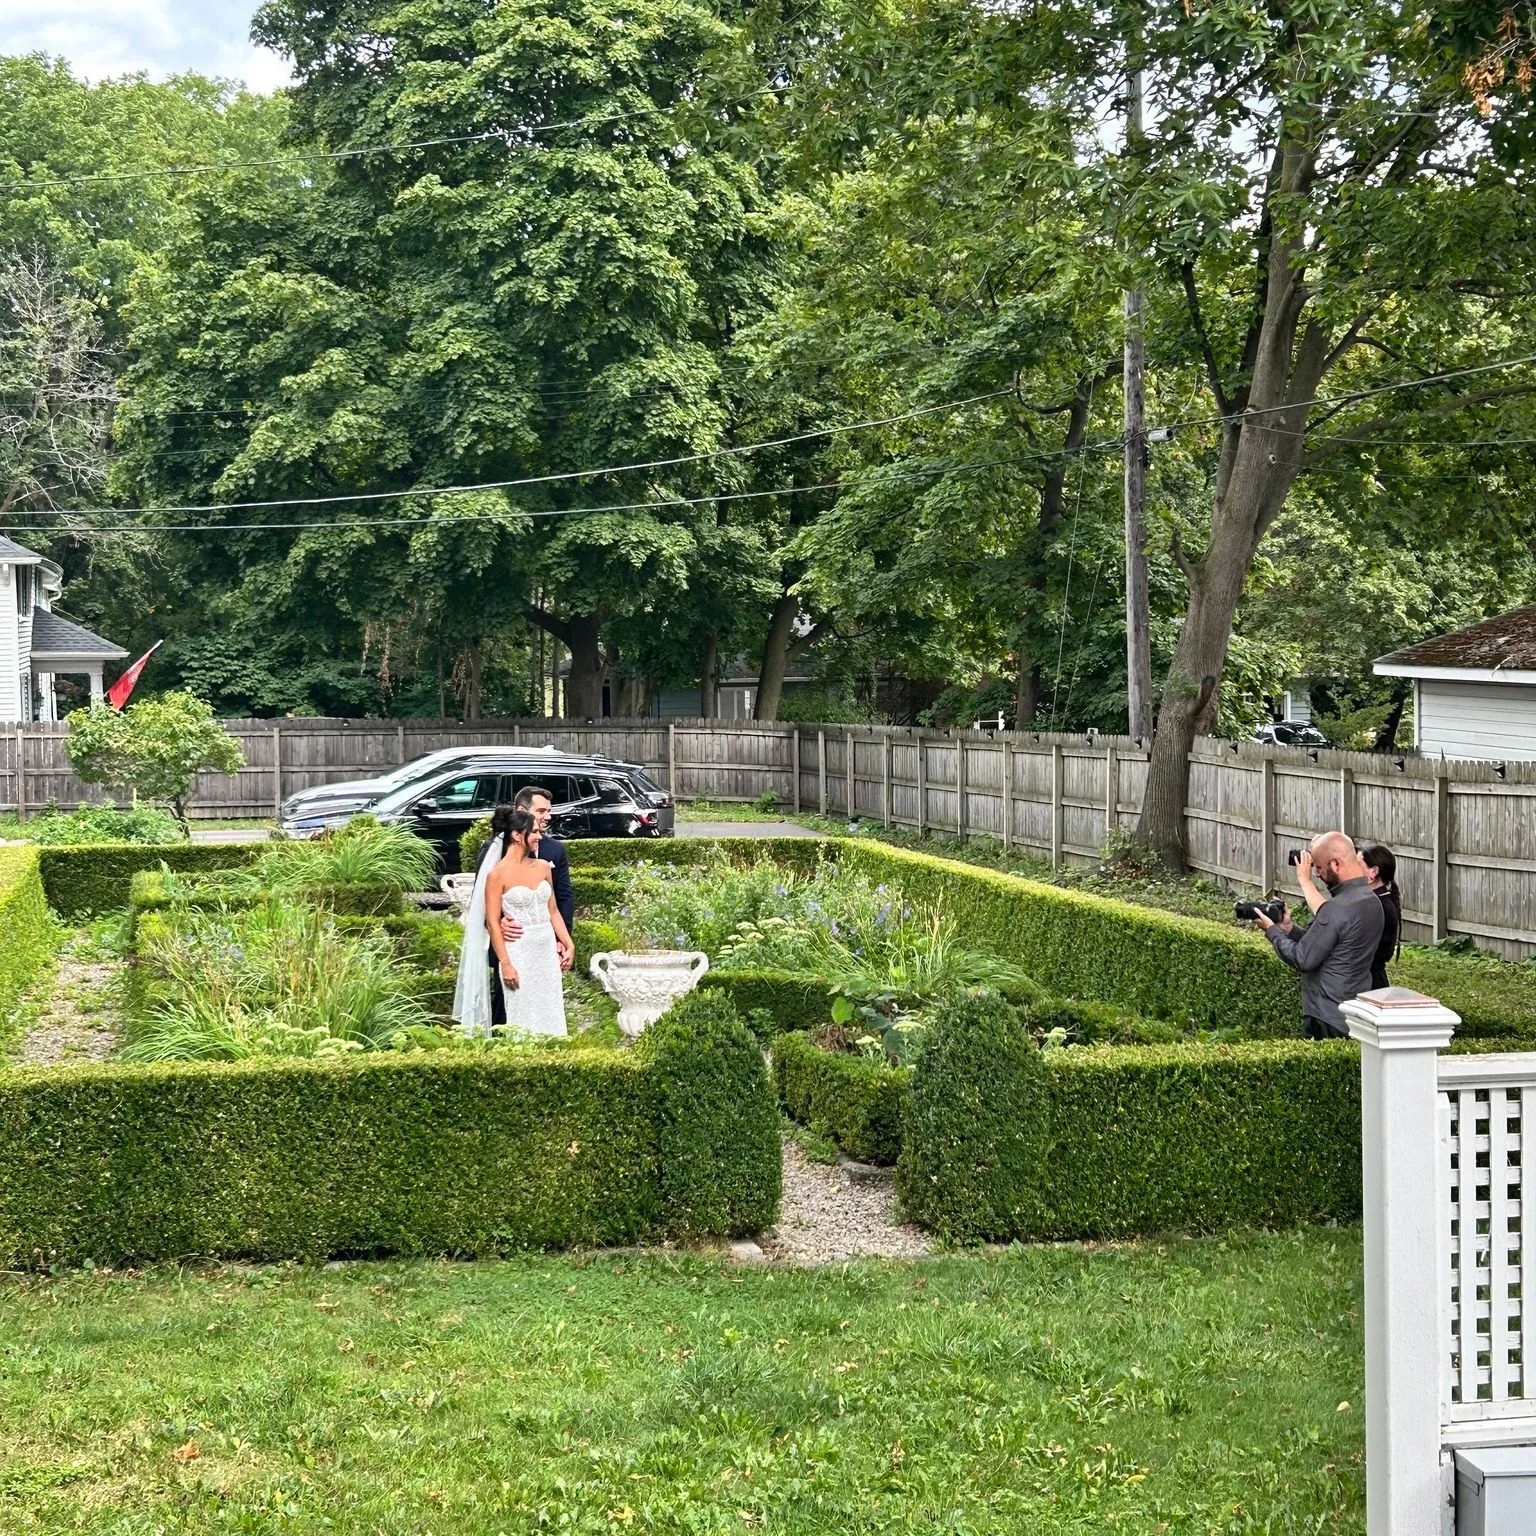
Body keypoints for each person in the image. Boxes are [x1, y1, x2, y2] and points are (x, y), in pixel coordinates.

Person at [452, 807, 572, 1036]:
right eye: (534, 832)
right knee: (523, 1014)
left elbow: (553, 910)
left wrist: (568, 943)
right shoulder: (496, 875)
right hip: (519, 951)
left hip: (546, 950)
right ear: (518, 835)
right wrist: (506, 963)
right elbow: (493, 923)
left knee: (551, 1009)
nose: (539, 836)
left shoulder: (543, 867)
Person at [1254, 830, 1384, 1039]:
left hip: (1326, 1017)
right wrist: (1288, 930)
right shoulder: (1372, 901)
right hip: (1352, 1013)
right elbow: (1330, 945)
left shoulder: (1337, 908)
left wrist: (1271, 931)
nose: (1317, 874)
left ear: (1336, 864)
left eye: (1320, 868)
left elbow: (1303, 958)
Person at [1358, 841, 1401, 990]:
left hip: (1368, 984)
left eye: (1358, 865)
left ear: (1373, 872)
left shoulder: (1376, 906)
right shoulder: (1379, 900)